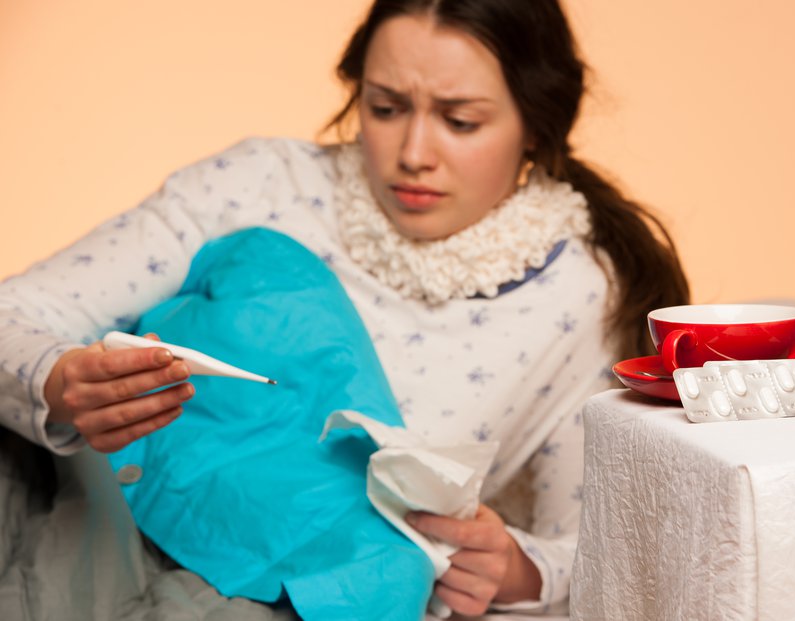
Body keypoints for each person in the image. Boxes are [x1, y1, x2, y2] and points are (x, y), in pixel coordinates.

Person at [0, 0, 689, 617]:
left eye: (459, 120)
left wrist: (512, 568)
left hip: (287, 591)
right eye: (385, 108)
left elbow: (595, 547)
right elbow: (15, 312)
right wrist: (57, 380)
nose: (413, 153)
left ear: (537, 127)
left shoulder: (581, 295)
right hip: (94, 502)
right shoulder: (259, 185)